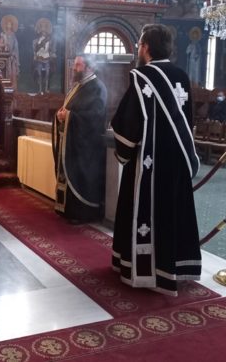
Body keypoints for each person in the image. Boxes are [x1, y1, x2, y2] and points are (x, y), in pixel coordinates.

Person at [111, 24, 201, 296]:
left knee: (149, 212)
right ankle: (175, 268)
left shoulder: (142, 77)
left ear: (146, 47)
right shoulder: (181, 76)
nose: (139, 49)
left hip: (149, 163)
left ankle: (147, 270)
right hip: (178, 160)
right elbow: (188, 121)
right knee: (173, 211)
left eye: (140, 44)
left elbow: (128, 123)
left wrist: (123, 150)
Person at [52, 54, 107, 224]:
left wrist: (69, 116)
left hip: (87, 146)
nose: (73, 68)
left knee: (82, 178)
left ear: (89, 68)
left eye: (78, 65)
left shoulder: (97, 87)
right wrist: (61, 115)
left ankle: (83, 213)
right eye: (74, 65)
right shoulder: (78, 86)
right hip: (73, 142)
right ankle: (67, 209)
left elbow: (95, 117)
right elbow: (69, 108)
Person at [33, 18, 56, 94]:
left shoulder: (50, 40)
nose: (43, 31)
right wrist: (35, 55)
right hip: (39, 59)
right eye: (42, 28)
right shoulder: (36, 41)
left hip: (47, 58)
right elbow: (34, 50)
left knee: (47, 74)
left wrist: (52, 54)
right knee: (39, 74)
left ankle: (46, 89)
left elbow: (52, 50)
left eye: (45, 28)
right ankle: (40, 89)